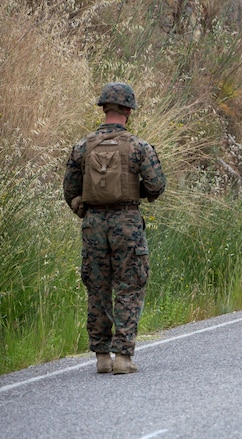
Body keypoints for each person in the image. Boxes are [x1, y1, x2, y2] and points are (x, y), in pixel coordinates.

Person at [63, 82, 166, 374]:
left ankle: (101, 358)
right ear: (128, 110)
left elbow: (69, 190)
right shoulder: (138, 147)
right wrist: (137, 193)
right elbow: (157, 186)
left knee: (97, 288)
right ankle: (123, 357)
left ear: (105, 108)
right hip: (127, 223)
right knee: (129, 286)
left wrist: (86, 206)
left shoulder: (82, 147)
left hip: (93, 224)